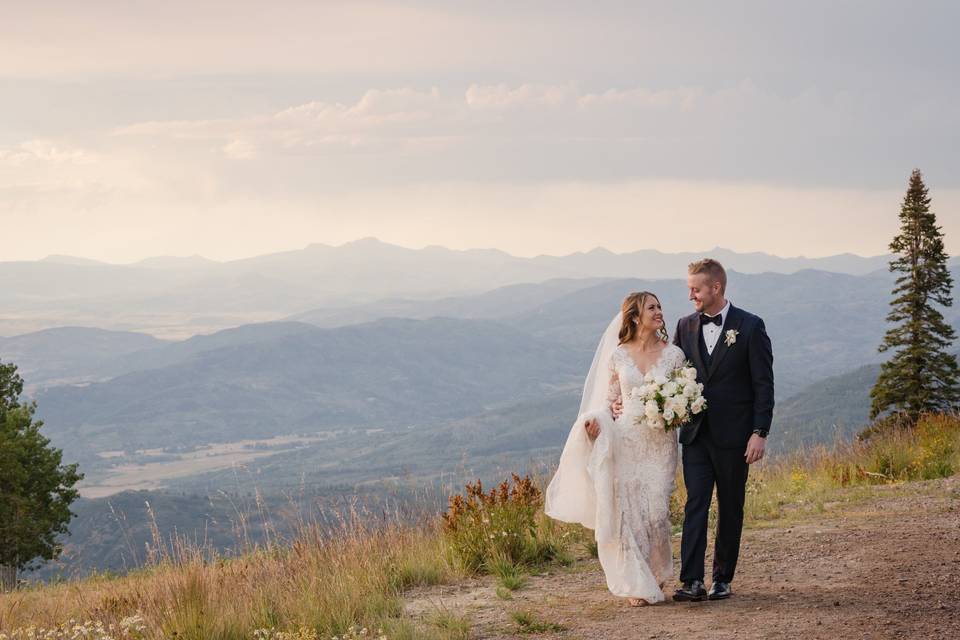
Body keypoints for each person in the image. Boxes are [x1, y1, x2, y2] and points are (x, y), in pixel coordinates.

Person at [545, 291, 686, 605]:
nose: (660, 311)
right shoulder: (619, 356)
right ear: (636, 316)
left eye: (660, 306)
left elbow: (682, 398)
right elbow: (608, 402)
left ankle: (658, 574)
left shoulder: (674, 355)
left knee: (657, 512)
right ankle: (640, 583)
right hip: (626, 440)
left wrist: (676, 410)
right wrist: (597, 423)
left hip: (660, 444)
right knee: (630, 513)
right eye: (652, 307)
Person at [664, 258, 774, 602]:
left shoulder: (751, 326)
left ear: (716, 288)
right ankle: (692, 581)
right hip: (695, 435)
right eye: (689, 289)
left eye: (695, 289)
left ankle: (722, 578)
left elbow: (763, 384)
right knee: (695, 504)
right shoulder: (684, 326)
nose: (691, 295)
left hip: (735, 437)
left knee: (730, 506)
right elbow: (673, 375)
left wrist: (760, 431)